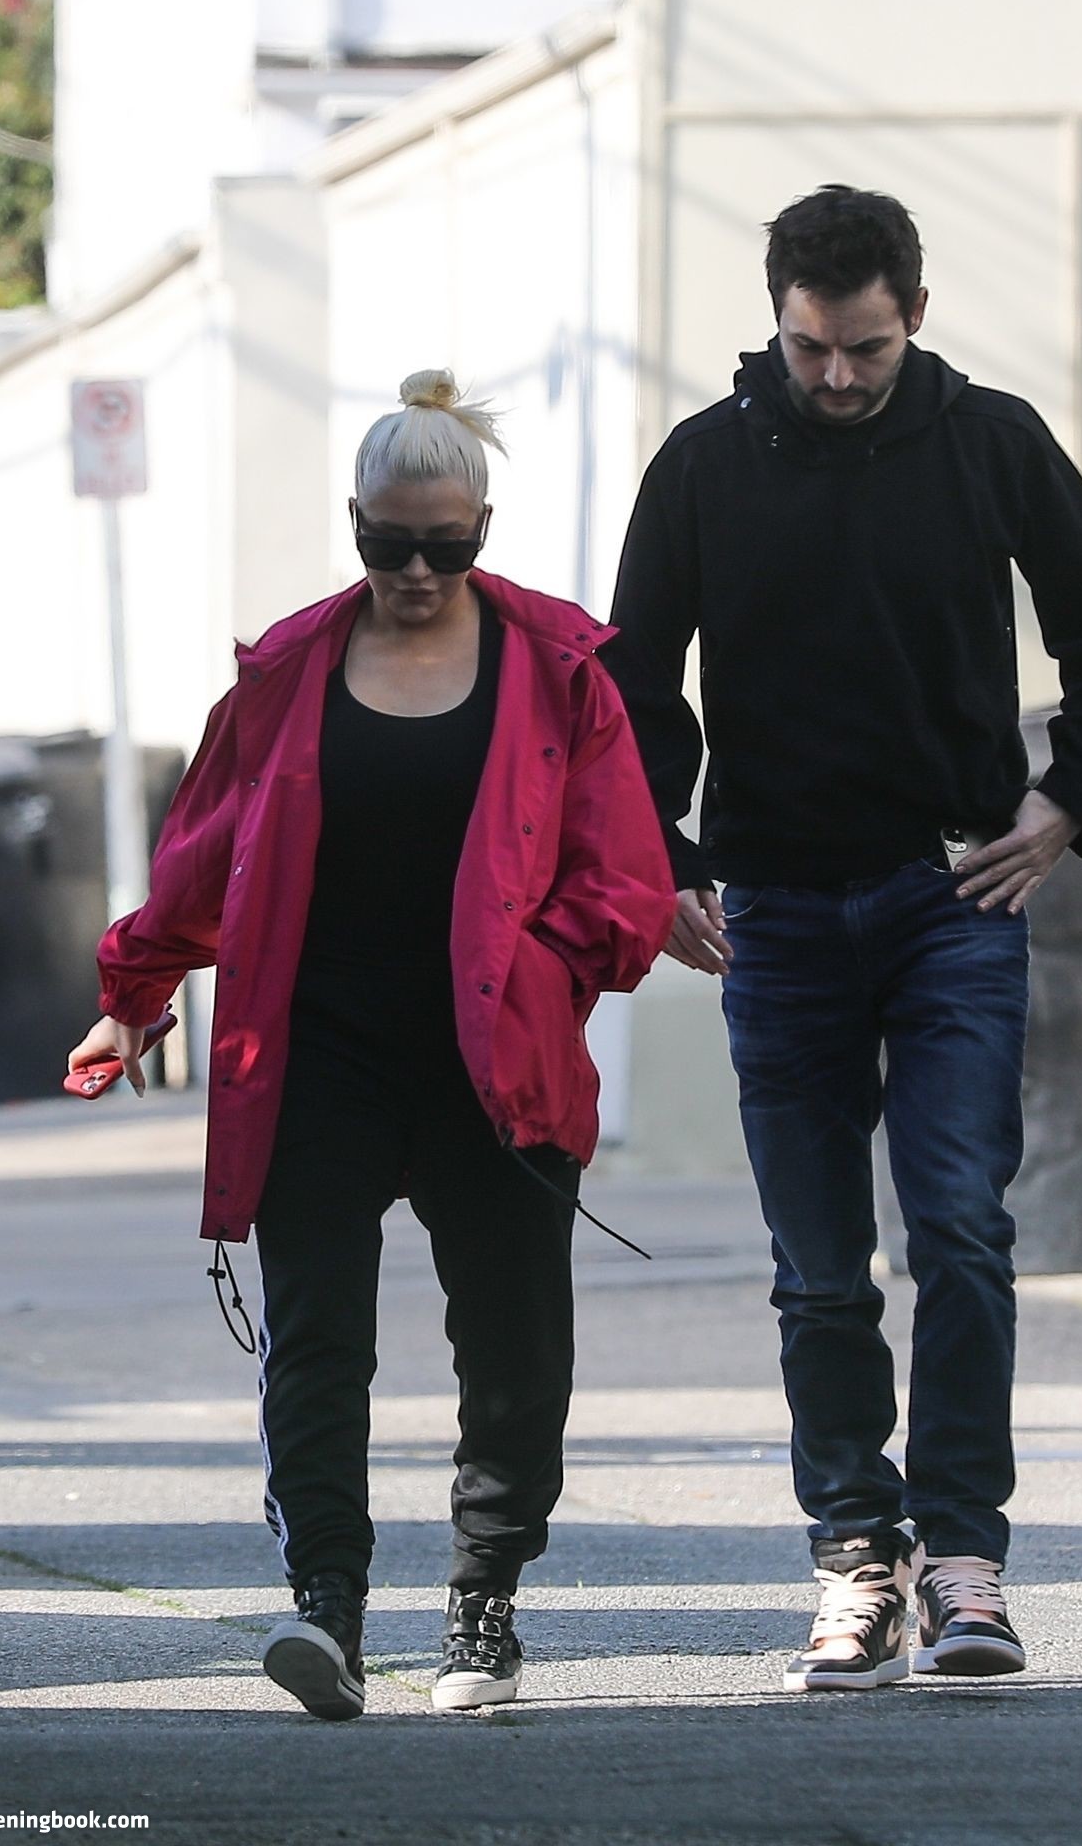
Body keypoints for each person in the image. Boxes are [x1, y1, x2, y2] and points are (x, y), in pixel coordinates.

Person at [603, 186, 1082, 1690]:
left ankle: (963, 1562)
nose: (837, 377)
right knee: (818, 1266)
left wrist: (1066, 801)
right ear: (776, 320)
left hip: (951, 894)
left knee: (960, 1228)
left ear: (915, 313)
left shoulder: (990, 442)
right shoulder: (705, 464)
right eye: (810, 348)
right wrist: (664, 859)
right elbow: (632, 680)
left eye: (865, 348)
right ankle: (855, 1557)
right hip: (777, 912)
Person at [68, 371, 674, 1720]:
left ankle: (484, 1600)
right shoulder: (288, 672)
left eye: (443, 546)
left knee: (512, 1345)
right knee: (316, 1338)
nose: (413, 572)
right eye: (386, 542)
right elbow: (205, 849)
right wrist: (135, 988)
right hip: (316, 1051)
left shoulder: (557, 671)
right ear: (353, 521)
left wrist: (544, 967)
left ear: (482, 530)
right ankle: (325, 1606)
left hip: (492, 1058)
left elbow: (622, 875)